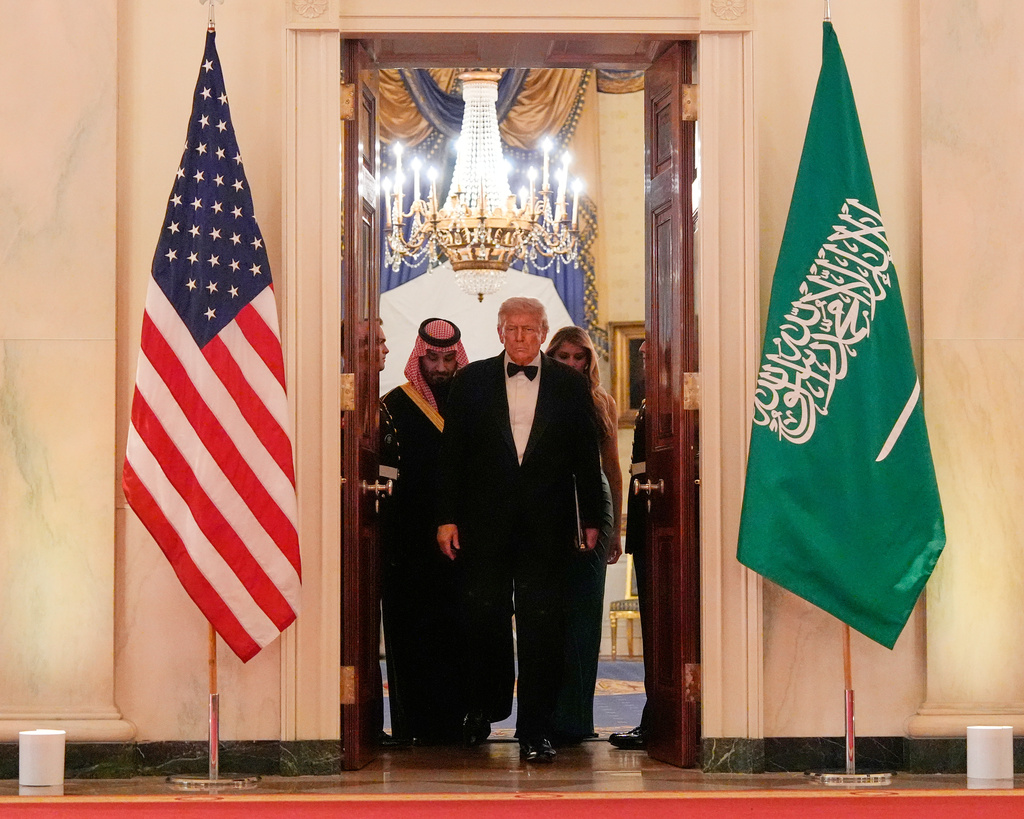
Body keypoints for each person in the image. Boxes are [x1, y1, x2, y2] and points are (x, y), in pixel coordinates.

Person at [436, 297, 604, 764]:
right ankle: (482, 713)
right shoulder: (470, 382)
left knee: (542, 628)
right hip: (483, 525)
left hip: (546, 528)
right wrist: (446, 518)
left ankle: (536, 729)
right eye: (511, 329)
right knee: (483, 620)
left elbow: (584, 459)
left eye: (529, 329)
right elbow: (452, 457)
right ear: (499, 332)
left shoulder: (570, 386)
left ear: (543, 332)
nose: (520, 337)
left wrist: (591, 519)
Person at [380, 318, 470, 745]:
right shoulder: (394, 404)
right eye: (430, 358)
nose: (439, 366)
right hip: (409, 543)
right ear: (419, 357)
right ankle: (413, 726)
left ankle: (463, 723)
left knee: (462, 634)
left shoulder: (475, 401)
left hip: (465, 543)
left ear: (458, 357)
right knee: (412, 632)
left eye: (447, 358)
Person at [545, 327, 622, 745]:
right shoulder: (534, 393)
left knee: (584, 614)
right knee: (548, 609)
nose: (573, 364)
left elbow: (611, 466)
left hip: (595, 505)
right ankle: (543, 716)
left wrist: (616, 531)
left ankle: (575, 720)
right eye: (564, 357)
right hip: (547, 506)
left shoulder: (601, 401)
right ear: (550, 356)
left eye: (580, 357)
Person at [609, 338, 650, 751]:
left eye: (648, 348)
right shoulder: (650, 403)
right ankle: (654, 716)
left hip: (671, 531)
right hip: (650, 531)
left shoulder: (677, 402)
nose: (641, 353)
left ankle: (661, 718)